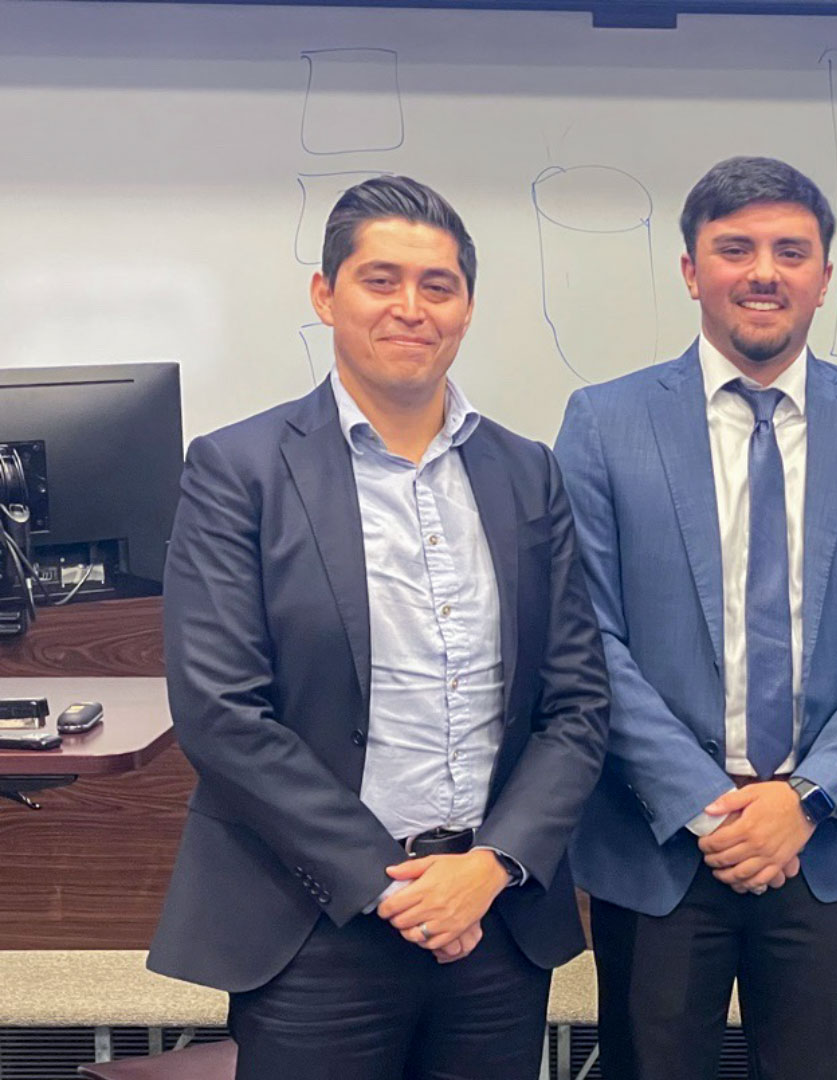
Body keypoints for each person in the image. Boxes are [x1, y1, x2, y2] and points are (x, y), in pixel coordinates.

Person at [148, 175, 611, 1080]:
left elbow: (577, 705)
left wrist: (491, 865)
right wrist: (389, 884)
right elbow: (221, 712)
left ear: (467, 308)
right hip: (316, 919)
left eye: (438, 286)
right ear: (326, 295)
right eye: (380, 280)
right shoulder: (238, 471)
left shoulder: (527, 475)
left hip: (495, 920)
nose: (411, 308)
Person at [555, 155, 837, 1080]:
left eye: (789, 251)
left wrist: (802, 800)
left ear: (823, 277)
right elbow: (585, 637)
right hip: (657, 838)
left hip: (827, 843)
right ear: (692, 270)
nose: (763, 271)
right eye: (735, 249)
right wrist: (707, 805)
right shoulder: (604, 423)